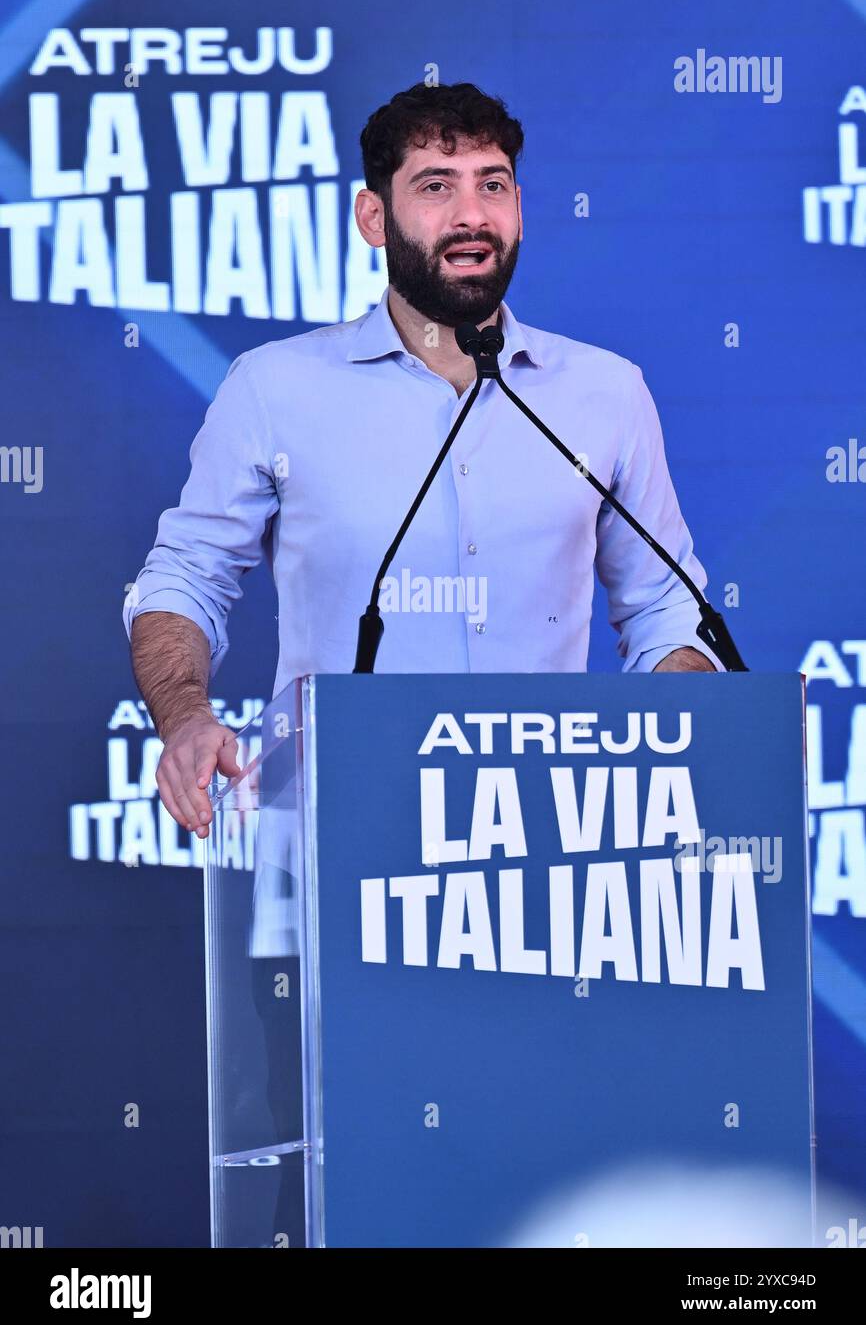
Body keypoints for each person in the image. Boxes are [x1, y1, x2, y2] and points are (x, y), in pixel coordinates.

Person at [124, 81, 720, 844]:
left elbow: (666, 609)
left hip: (551, 846)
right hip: (341, 838)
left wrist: (702, 728)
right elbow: (185, 576)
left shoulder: (606, 391)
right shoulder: (275, 387)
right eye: (436, 186)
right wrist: (186, 718)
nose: (472, 214)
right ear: (373, 218)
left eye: (493, 185)